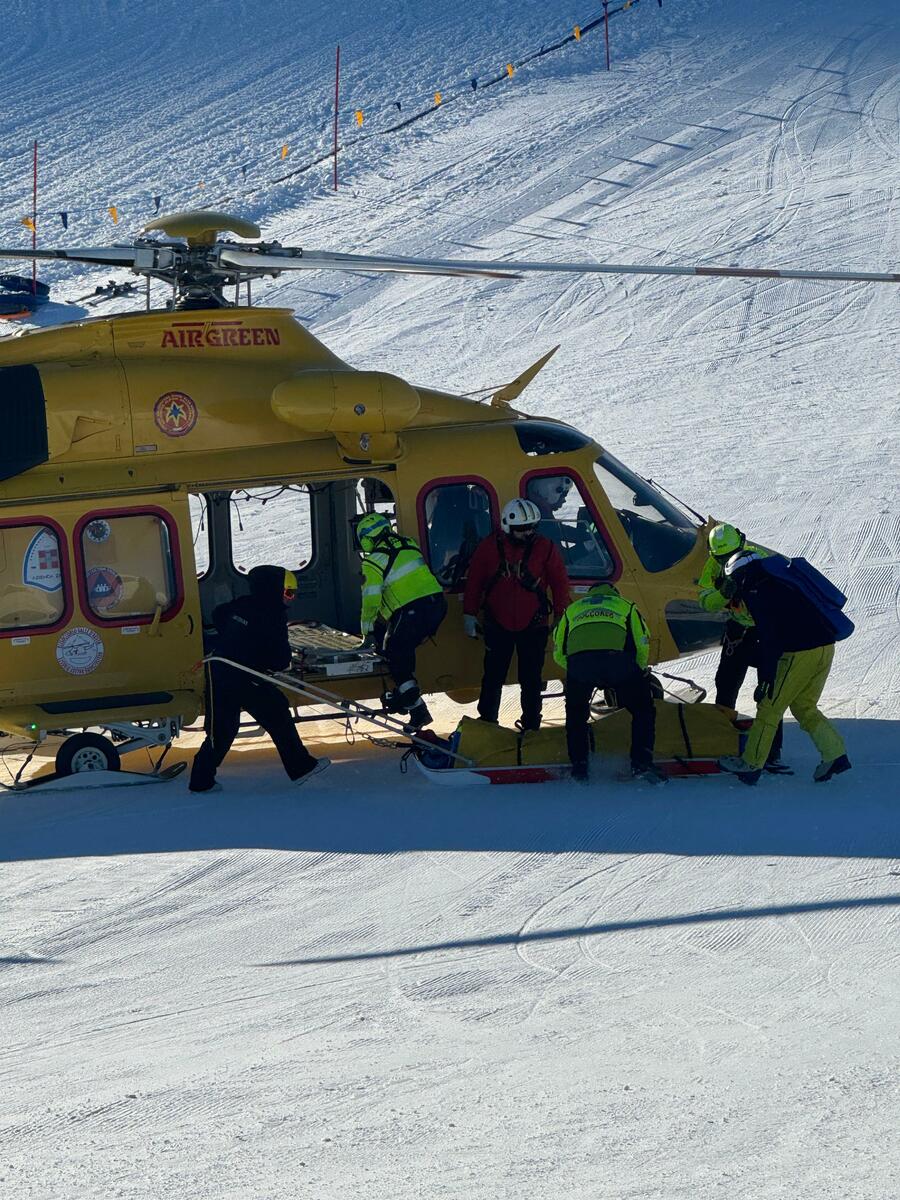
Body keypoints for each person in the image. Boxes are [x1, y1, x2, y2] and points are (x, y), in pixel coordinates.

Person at [189, 565, 330, 792]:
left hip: (221, 671)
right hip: (243, 676)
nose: (290, 599)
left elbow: (219, 614)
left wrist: (238, 638)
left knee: (226, 728)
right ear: (273, 589)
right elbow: (280, 660)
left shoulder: (242, 604)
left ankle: (201, 781)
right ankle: (300, 767)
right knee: (273, 714)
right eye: (288, 593)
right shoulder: (274, 615)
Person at [717, 550, 852, 786]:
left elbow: (771, 637)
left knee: (769, 708)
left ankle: (751, 764)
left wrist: (767, 677)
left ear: (742, 574)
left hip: (799, 653)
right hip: (825, 647)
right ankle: (835, 754)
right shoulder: (779, 579)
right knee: (804, 706)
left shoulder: (756, 591)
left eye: (734, 579)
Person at [463, 498, 570, 730]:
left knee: (531, 679)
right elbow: (474, 582)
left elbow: (560, 583)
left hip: (534, 624)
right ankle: (487, 722)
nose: (527, 533)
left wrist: (561, 614)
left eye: (531, 528)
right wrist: (469, 614)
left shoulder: (545, 547)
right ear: (507, 527)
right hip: (497, 623)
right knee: (493, 677)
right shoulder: (488, 548)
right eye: (522, 529)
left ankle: (531, 724)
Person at [698, 522, 788, 772]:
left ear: (741, 543)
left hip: (766, 632)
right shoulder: (713, 565)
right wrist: (723, 593)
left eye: (730, 555)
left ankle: (771, 751)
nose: (727, 560)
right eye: (722, 557)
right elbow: (705, 600)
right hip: (738, 631)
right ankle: (722, 739)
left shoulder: (760, 559)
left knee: (769, 690)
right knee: (726, 683)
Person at [553, 581, 664, 784]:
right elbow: (642, 642)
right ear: (614, 593)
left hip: (580, 665)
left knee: (576, 714)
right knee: (643, 710)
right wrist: (638, 671)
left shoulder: (572, 610)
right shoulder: (626, 605)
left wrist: (576, 671)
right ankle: (641, 763)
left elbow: (558, 650)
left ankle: (579, 767)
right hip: (617, 662)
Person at [354, 512, 447, 729]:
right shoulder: (409, 544)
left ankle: (414, 706)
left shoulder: (373, 561)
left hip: (412, 611)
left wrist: (367, 631)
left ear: (366, 539)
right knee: (403, 648)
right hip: (438, 605)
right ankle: (408, 698)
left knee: (394, 653)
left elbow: (371, 599)